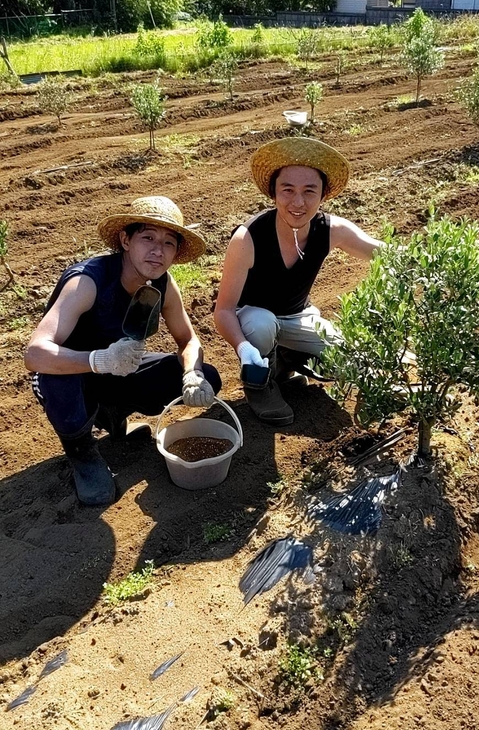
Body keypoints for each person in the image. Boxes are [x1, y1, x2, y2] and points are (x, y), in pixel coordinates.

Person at [25, 195, 221, 507]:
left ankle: (113, 414)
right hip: (70, 372)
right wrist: (98, 359)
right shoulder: (88, 282)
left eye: (168, 243)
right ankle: (82, 453)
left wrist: (193, 374)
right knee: (56, 381)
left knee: (207, 374)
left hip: (117, 368)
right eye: (147, 238)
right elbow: (35, 355)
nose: (158, 250)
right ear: (125, 240)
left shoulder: (163, 286)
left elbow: (188, 340)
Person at [214, 137, 382, 426]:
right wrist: (244, 348)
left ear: (323, 195)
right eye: (287, 190)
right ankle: (260, 385)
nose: (298, 202)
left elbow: (383, 252)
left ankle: (286, 360)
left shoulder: (331, 230)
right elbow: (223, 310)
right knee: (262, 324)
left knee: (345, 362)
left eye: (309, 191)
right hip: (252, 318)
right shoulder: (248, 239)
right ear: (273, 193)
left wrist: (434, 259)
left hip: (298, 315)